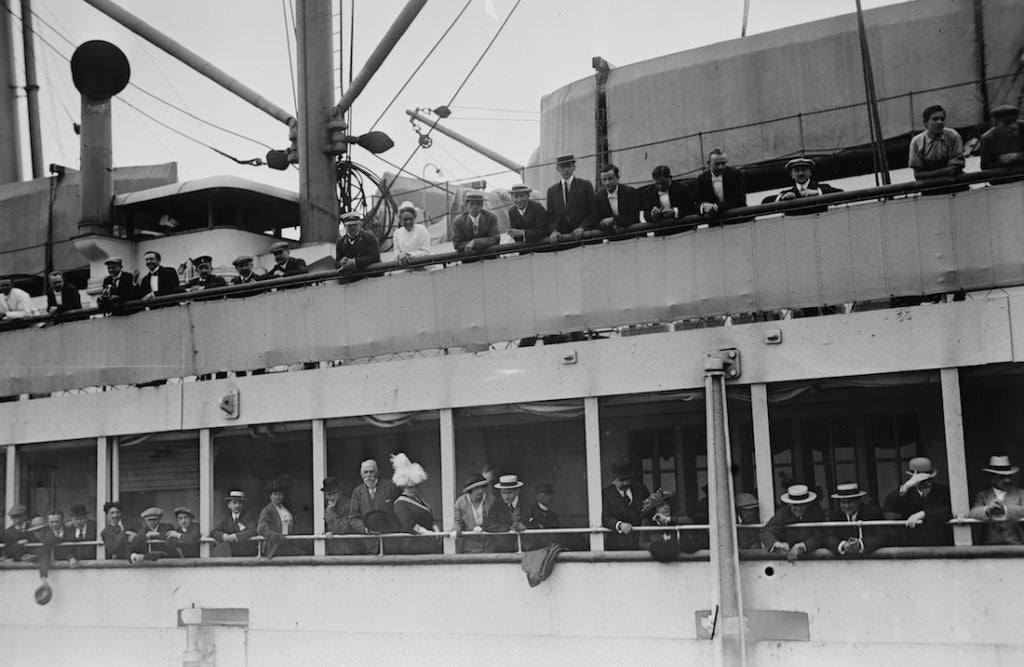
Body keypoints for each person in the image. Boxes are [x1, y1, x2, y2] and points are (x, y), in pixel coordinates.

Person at [884, 456, 953, 546]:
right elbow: (890, 506)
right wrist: (907, 485)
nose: (926, 482)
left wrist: (923, 514)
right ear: (911, 476)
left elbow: (949, 511)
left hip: (939, 543)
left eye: (928, 478)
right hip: (913, 544)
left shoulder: (943, 491)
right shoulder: (906, 492)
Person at [760, 484, 827, 562]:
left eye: (802, 505)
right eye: (795, 505)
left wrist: (801, 546)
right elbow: (766, 531)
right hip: (786, 561)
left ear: (808, 504)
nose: (798, 508)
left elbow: (820, 536)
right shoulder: (783, 513)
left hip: (813, 558)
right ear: (789, 504)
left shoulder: (816, 513)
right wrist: (777, 544)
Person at [391, 452, 442, 554]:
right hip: (412, 545)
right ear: (403, 486)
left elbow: (431, 519)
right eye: (410, 487)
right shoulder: (400, 503)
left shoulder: (421, 500)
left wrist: (436, 530)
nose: (414, 489)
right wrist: (427, 533)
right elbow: (408, 524)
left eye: (415, 486)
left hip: (429, 543)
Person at [345, 458, 399, 554]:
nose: (369, 475)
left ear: (377, 472)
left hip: (390, 540)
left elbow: (399, 509)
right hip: (369, 543)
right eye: (365, 472)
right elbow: (353, 517)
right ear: (361, 475)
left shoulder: (390, 487)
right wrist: (366, 530)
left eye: (371, 472)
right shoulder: (357, 492)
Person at [968, 455, 1024, 545]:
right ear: (992, 478)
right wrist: (987, 509)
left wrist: (1004, 509)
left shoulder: (1020, 493)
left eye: (1009, 476)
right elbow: (973, 513)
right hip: (989, 545)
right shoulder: (983, 495)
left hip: (1016, 545)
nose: (1007, 480)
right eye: (1002, 477)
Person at [824, 482, 887, 557]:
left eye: (850, 502)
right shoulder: (835, 515)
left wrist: (861, 543)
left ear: (859, 501)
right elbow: (827, 537)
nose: (846, 506)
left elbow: (883, 536)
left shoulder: (873, 512)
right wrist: (843, 545)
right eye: (843, 502)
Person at [601, 461, 651, 551]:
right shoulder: (606, 494)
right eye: (621, 480)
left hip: (640, 543)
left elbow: (649, 510)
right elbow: (605, 517)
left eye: (628, 479)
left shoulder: (641, 489)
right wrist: (619, 525)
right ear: (613, 480)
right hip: (618, 545)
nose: (625, 483)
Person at [546, 153, 596, 243]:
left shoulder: (585, 185)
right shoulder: (552, 191)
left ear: (574, 167)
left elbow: (593, 211)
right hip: (562, 239)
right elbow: (550, 216)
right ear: (557, 169)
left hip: (583, 238)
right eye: (562, 167)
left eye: (569, 166)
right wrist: (554, 231)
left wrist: (582, 227)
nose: (566, 170)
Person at [908, 104, 965, 180]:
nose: (940, 122)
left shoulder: (953, 136)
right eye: (935, 119)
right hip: (929, 187)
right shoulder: (917, 142)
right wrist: (946, 171)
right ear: (925, 122)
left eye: (942, 119)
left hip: (954, 183)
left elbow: (955, 168)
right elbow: (918, 175)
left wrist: (928, 174)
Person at [768, 158, 843, 212]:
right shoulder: (786, 193)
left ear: (810, 172)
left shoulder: (821, 188)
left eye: (804, 170)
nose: (800, 173)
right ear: (792, 175)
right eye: (797, 171)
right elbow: (766, 202)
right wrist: (784, 198)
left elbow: (841, 195)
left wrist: (816, 192)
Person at [640, 490, 697, 561]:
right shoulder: (647, 522)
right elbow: (642, 543)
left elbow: (689, 521)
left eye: (667, 504)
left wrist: (668, 519)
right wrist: (655, 546)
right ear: (654, 510)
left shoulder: (675, 518)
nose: (666, 507)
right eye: (661, 505)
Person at [257, 479, 303, 560]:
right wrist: (278, 536)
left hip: (286, 542)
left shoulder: (284, 509)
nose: (278, 497)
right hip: (274, 545)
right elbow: (261, 529)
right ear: (270, 496)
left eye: (280, 494)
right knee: (300, 555)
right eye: (275, 494)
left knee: (302, 553)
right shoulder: (267, 510)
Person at [591, 163, 641, 236]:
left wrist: (614, 220)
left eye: (610, 178)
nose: (607, 183)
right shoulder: (597, 197)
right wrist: (613, 226)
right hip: (612, 239)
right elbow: (596, 221)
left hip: (633, 236)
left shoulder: (630, 192)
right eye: (604, 180)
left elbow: (634, 216)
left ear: (617, 177)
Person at [452, 472, 496, 553]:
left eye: (482, 487)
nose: (480, 491)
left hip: (489, 547)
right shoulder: (461, 502)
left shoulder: (491, 500)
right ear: (470, 490)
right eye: (476, 488)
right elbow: (458, 522)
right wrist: (456, 529)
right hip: (470, 548)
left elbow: (496, 522)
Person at [695, 148, 747, 217]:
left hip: (737, 219)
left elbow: (741, 200)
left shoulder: (735, 174)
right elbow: (697, 203)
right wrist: (703, 206)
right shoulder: (702, 179)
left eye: (723, 163)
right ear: (708, 163)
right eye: (717, 164)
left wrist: (717, 207)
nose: (720, 167)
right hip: (715, 223)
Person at [483, 474, 528, 553]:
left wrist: (525, 526)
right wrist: (509, 527)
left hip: (526, 550)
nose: (506, 497)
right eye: (503, 493)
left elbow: (539, 524)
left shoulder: (527, 504)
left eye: (509, 493)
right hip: (504, 549)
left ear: (517, 491)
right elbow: (488, 525)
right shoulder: (497, 506)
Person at [210, 490, 258, 557]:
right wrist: (223, 536)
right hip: (235, 555)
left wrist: (235, 537)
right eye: (234, 502)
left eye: (240, 503)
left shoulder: (249, 516)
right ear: (229, 505)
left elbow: (254, 530)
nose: (237, 505)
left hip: (251, 555)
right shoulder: (226, 520)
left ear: (243, 505)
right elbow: (213, 531)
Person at [452, 191, 500, 255]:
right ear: (466, 205)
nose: (474, 207)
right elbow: (457, 244)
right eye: (471, 204)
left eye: (478, 204)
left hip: (489, 256)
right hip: (468, 259)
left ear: (482, 205)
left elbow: (496, 239)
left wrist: (475, 242)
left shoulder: (491, 217)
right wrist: (482, 243)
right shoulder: (458, 221)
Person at [979, 104, 1024, 172]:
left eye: (1014, 120)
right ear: (996, 124)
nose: (1013, 126)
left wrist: (1017, 156)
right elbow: (985, 167)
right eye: (1007, 122)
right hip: (1003, 178)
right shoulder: (987, 138)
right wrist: (1002, 162)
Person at [322, 476, 356, 555]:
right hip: (332, 550)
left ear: (340, 492)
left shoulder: (349, 505)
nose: (332, 497)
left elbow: (342, 529)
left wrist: (331, 511)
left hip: (349, 550)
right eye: (329, 494)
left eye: (334, 493)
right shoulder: (324, 506)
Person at [393, 201, 432, 266]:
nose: (408, 222)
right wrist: (399, 256)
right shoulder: (397, 233)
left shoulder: (422, 229)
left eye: (410, 219)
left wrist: (409, 255)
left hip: (424, 266)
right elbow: (396, 253)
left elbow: (426, 252)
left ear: (414, 218)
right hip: (407, 268)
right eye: (405, 219)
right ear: (401, 220)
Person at [524, 482, 560, 549]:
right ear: (537, 495)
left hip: (550, 547)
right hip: (534, 548)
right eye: (546, 494)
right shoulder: (530, 512)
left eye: (551, 494)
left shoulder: (553, 516)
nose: (550, 497)